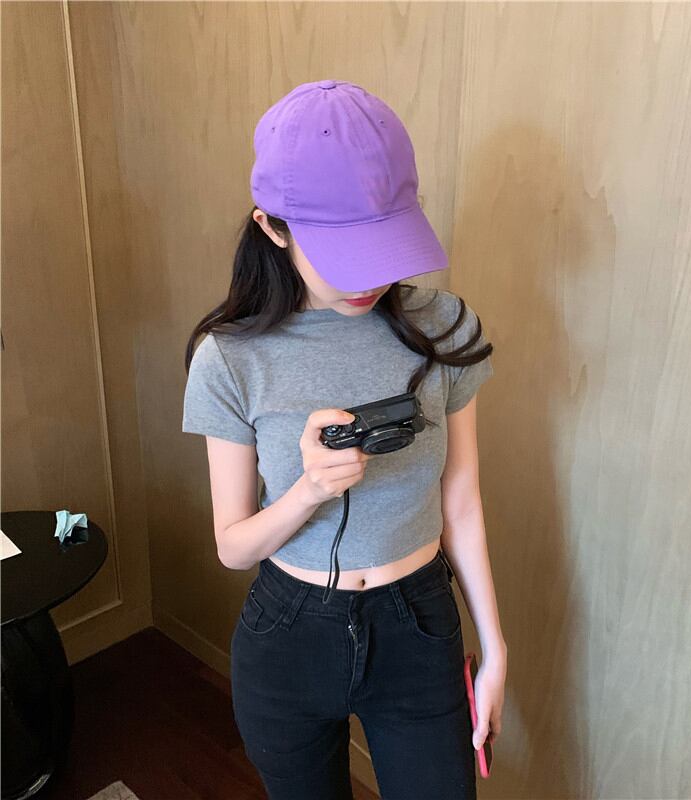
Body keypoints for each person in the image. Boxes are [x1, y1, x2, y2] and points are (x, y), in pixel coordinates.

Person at [181, 79, 507, 800]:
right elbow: (233, 547)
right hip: (288, 633)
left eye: (383, 244)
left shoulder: (445, 328)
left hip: (419, 625)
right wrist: (309, 490)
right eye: (342, 251)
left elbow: (461, 501)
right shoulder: (230, 358)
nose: (370, 278)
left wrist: (495, 649)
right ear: (272, 228)